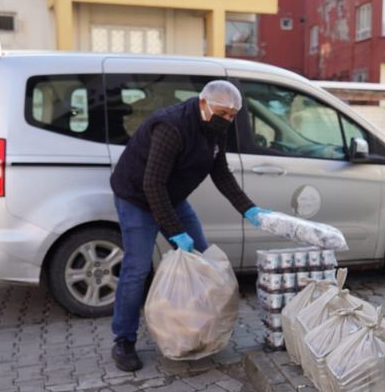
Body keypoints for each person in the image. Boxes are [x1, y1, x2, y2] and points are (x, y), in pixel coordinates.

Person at [109, 80, 268, 372]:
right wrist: (175, 231)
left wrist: (248, 208)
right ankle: (124, 340)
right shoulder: (171, 127)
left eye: (233, 115)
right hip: (137, 197)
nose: (228, 120)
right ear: (203, 104)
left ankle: (197, 328)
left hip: (172, 195)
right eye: (224, 113)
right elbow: (152, 184)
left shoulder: (218, 128)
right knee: (137, 268)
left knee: (202, 260)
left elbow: (221, 173)